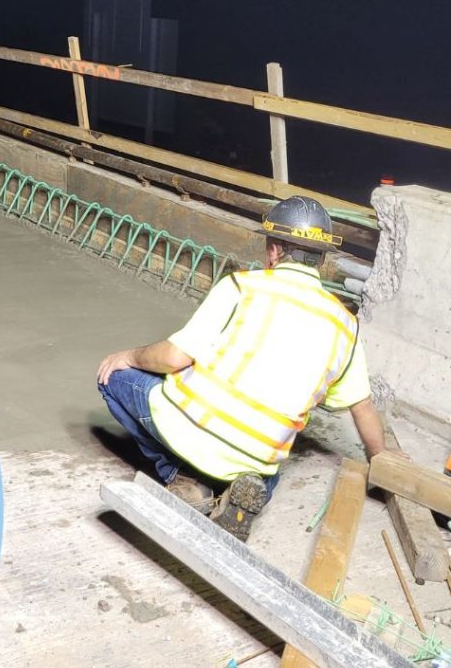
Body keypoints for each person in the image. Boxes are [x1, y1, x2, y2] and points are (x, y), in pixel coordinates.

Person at [95, 196, 386, 541]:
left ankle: (184, 478)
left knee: (114, 378)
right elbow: (362, 407)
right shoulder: (345, 326)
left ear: (275, 248)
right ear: (320, 259)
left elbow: (174, 357)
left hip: (192, 430)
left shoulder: (241, 287)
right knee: (269, 466)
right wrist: (382, 463)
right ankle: (244, 487)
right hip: (254, 455)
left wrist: (128, 356)